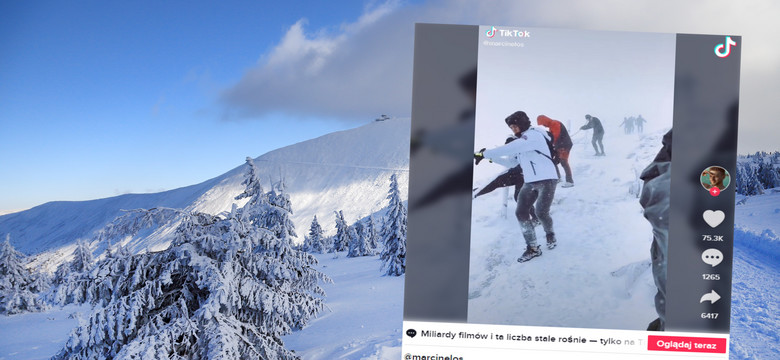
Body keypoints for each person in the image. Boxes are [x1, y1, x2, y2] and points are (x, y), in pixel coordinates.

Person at [475, 111, 559, 262]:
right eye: (511, 127)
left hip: (547, 179)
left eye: (515, 126)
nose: (513, 129)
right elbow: (513, 163)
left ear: (523, 123)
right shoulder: (522, 143)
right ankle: (533, 248)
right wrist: (491, 158)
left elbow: (512, 147)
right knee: (521, 212)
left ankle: (550, 234)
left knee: (541, 212)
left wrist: (485, 153)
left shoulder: (533, 135)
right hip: (530, 181)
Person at [537, 115, 574, 187]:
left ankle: (570, 181)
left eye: (543, 124)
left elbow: (555, 136)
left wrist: (549, 143)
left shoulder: (555, 123)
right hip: (559, 146)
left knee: (564, 162)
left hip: (564, 145)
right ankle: (558, 178)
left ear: (545, 120)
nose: (544, 126)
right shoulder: (551, 126)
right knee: (554, 162)